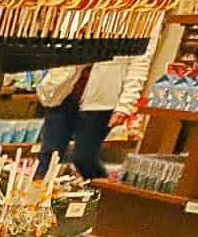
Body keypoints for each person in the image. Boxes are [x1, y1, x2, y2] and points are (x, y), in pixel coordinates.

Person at [34, 48, 153, 179]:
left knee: (84, 159)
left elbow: (139, 64)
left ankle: (104, 193)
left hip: (101, 99)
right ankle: (36, 196)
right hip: (63, 89)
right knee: (48, 156)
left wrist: (125, 105)